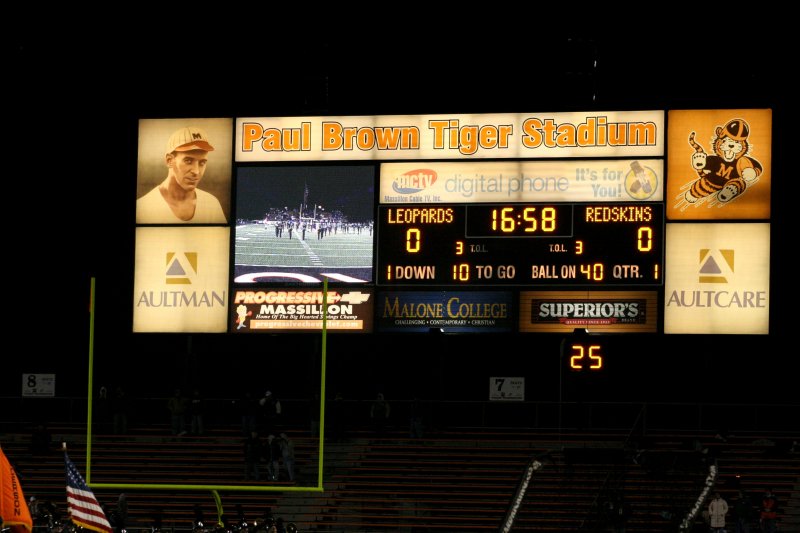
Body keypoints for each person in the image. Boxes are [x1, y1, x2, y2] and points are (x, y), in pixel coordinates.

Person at [137, 126, 226, 223]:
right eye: (188, 161)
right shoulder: (143, 208)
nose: (196, 171)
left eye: (202, 163)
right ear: (169, 160)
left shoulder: (212, 204)